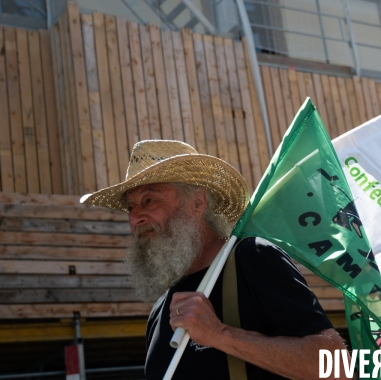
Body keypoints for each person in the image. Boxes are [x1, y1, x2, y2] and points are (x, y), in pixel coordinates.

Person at [81, 140, 347, 379]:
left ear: (197, 203)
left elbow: (337, 367)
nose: (135, 217)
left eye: (149, 200)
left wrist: (220, 334)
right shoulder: (161, 311)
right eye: (131, 207)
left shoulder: (252, 258)